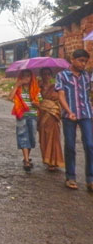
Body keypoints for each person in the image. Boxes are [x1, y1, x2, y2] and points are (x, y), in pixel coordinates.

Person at [55, 49, 93, 190]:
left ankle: (90, 179)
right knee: (70, 146)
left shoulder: (86, 77)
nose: (83, 64)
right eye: (81, 60)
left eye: (85, 61)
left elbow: (88, 93)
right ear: (73, 59)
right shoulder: (62, 76)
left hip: (86, 114)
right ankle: (70, 177)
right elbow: (61, 95)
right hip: (69, 115)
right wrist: (69, 111)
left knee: (90, 145)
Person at [9, 69, 40, 171]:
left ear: (32, 78)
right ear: (20, 78)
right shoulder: (19, 89)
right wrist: (17, 85)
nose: (26, 78)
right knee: (23, 136)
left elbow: (40, 103)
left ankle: (26, 157)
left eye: (28, 76)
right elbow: (10, 97)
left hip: (33, 115)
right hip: (21, 115)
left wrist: (36, 103)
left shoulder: (35, 89)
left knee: (31, 137)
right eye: (24, 76)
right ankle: (26, 160)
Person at [37, 67, 64, 171]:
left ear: (51, 75)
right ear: (41, 75)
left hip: (53, 114)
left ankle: (54, 162)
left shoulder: (56, 87)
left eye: (48, 74)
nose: (46, 76)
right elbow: (34, 98)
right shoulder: (37, 86)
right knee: (43, 138)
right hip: (42, 114)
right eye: (44, 74)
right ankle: (47, 160)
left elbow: (60, 99)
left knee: (54, 138)